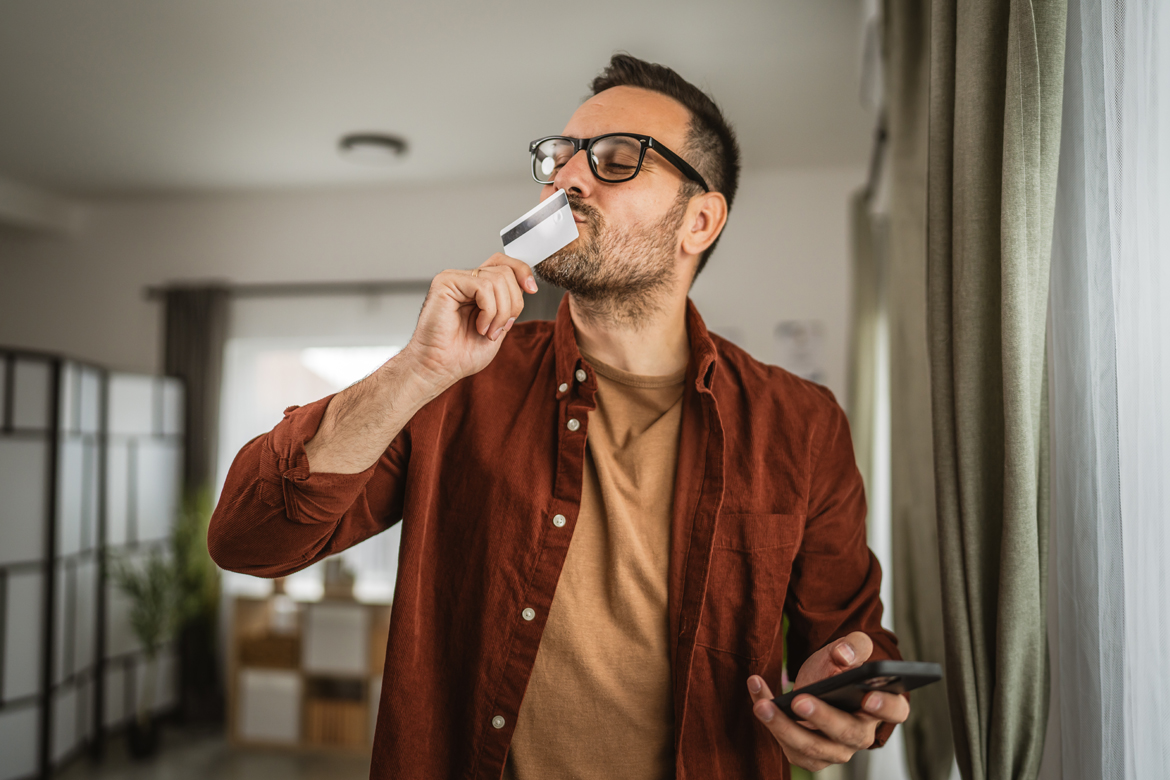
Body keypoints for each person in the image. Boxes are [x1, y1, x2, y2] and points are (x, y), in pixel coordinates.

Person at [208, 53, 908, 779]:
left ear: (699, 220)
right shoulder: (456, 388)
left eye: (614, 159)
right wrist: (418, 370)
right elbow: (247, 540)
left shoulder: (801, 423)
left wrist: (851, 701)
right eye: (560, 157)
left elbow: (856, 646)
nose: (566, 178)